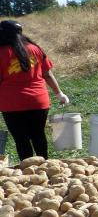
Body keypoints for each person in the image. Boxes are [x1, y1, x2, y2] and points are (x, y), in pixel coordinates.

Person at [0, 20, 69, 161]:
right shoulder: (35, 49)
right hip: (38, 100)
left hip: (11, 103)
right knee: (38, 135)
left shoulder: (1, 52)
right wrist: (59, 93)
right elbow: (47, 74)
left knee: (21, 139)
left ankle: (29, 171)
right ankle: (45, 167)